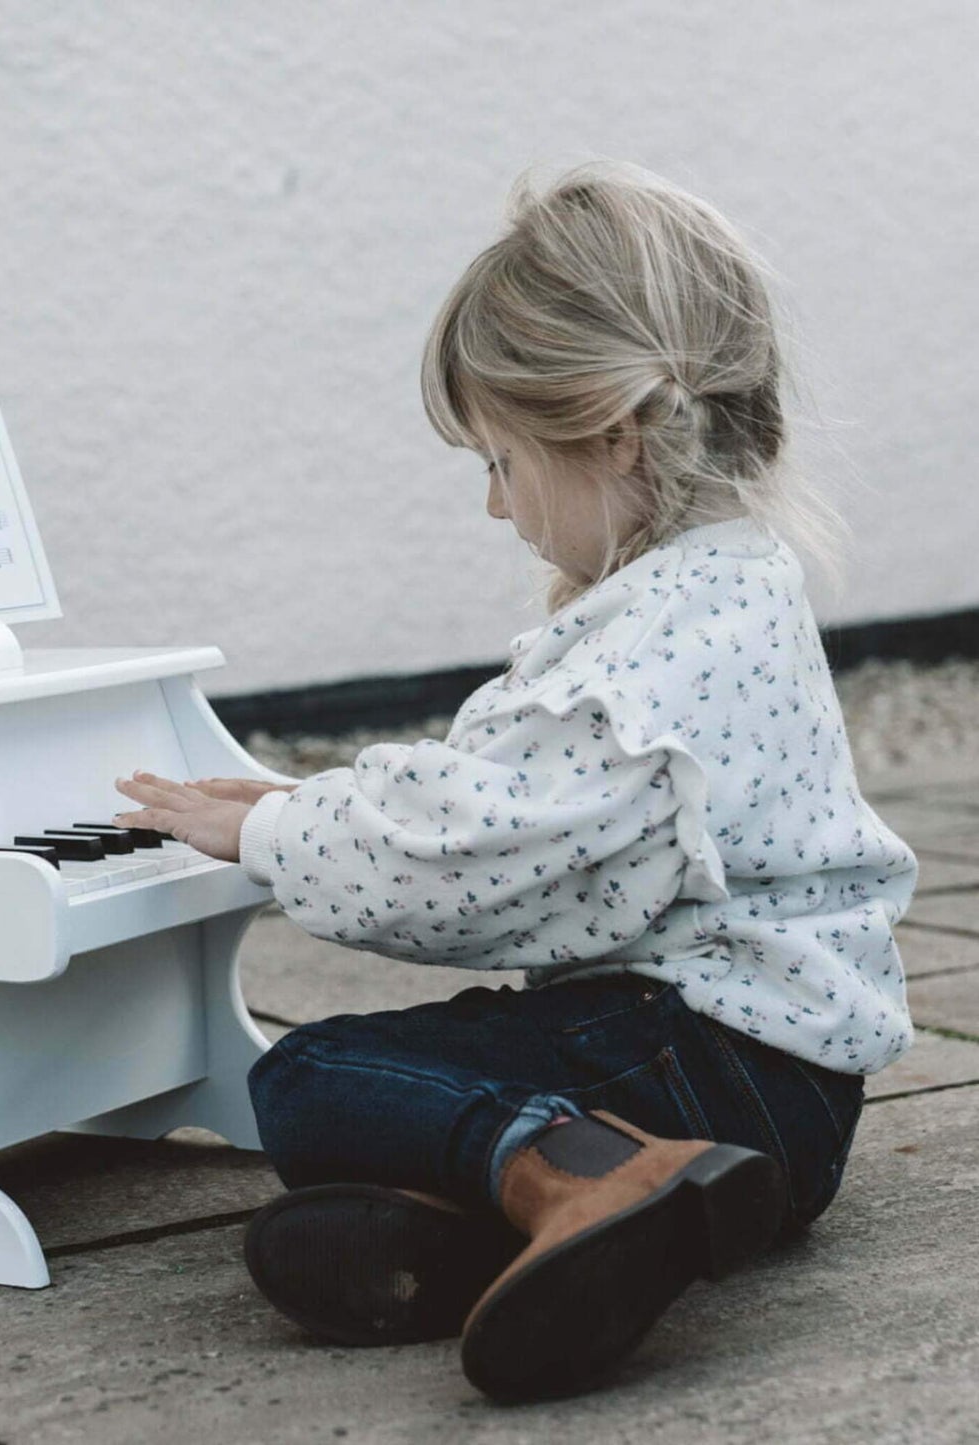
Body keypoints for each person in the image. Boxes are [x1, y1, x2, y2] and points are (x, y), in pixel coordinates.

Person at [111, 158, 919, 1404]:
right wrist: (299, 806)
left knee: (311, 1077)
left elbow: (472, 859)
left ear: (606, 430)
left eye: (497, 457)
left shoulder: (652, 655)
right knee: (373, 1141)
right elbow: (519, 817)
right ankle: (535, 1231)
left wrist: (279, 830)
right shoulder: (725, 583)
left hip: (706, 1065)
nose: (493, 503)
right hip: (790, 1097)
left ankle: (590, 1174)